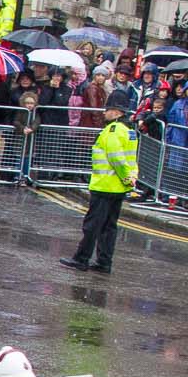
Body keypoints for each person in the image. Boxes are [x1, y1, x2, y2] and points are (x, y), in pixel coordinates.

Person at [60, 89, 137, 275]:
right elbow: (132, 159)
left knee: (92, 225)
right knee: (109, 227)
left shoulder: (112, 130)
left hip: (105, 185)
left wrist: (125, 177)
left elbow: (116, 158)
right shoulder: (130, 131)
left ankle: (81, 258)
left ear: (117, 111)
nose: (104, 113)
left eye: (108, 109)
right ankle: (104, 262)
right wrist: (130, 179)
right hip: (118, 188)